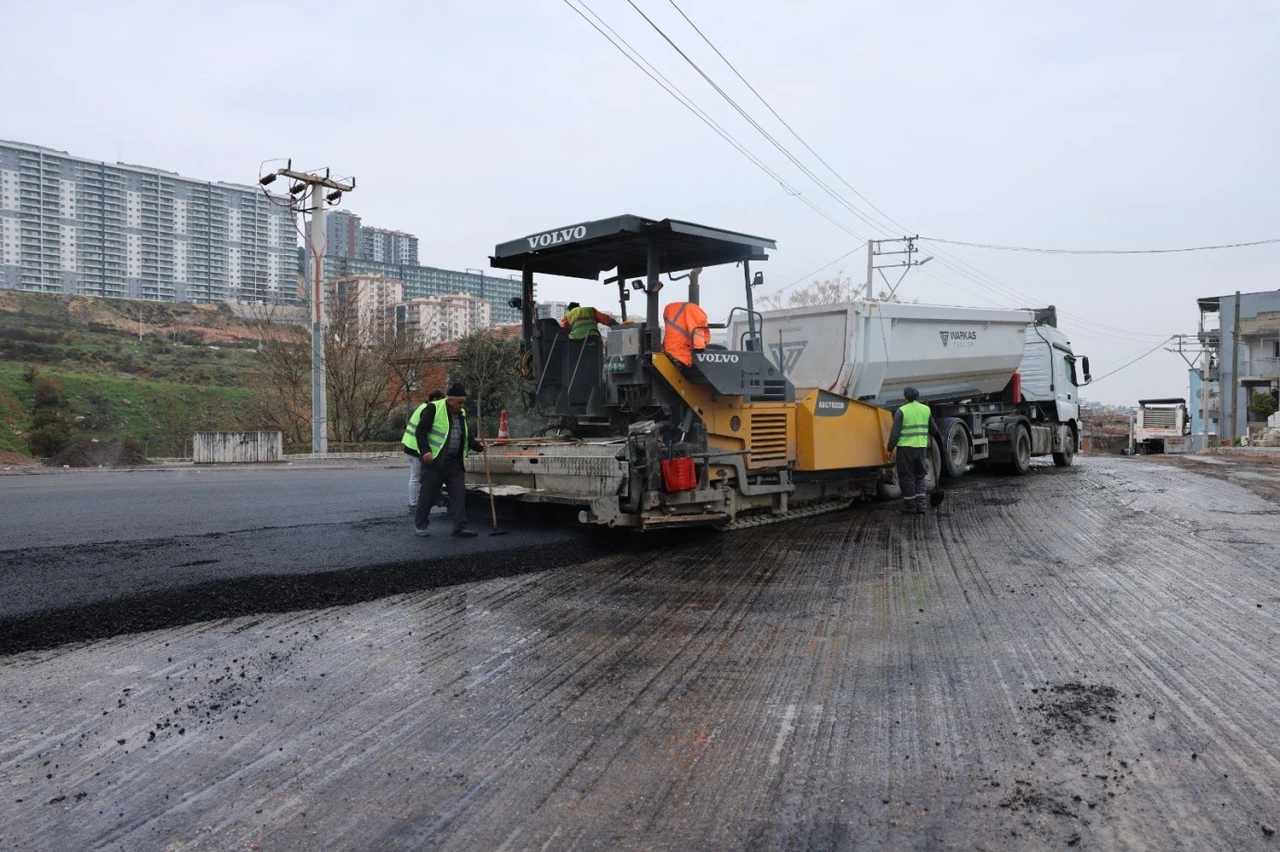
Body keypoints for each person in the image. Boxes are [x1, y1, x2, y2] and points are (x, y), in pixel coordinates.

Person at [412, 382, 486, 537]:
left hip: (454, 463)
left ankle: (459, 527)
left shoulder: (461, 413)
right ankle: (421, 525)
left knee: (459, 494)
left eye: (463, 402)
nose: (461, 405)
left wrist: (478, 446)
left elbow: (465, 436)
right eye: (459, 402)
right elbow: (420, 431)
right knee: (427, 494)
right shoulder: (434, 408)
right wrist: (425, 451)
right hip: (435, 462)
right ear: (450, 400)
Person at [886, 387, 942, 515]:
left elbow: (895, 434)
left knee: (907, 477)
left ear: (905, 397)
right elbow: (934, 430)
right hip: (921, 448)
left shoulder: (901, 411)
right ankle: (922, 506)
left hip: (906, 450)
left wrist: (890, 448)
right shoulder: (925, 409)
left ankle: (910, 506)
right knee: (920, 476)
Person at [405, 390, 445, 514]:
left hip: (411, 446)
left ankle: (430, 499)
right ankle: (413, 505)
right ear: (435, 399)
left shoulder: (423, 406)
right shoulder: (428, 409)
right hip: (415, 447)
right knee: (416, 477)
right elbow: (424, 430)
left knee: (422, 476)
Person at [662, 300, 710, 367]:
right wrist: (699, 346)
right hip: (682, 353)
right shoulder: (693, 311)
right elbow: (697, 330)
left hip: (670, 348)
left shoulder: (670, 309)